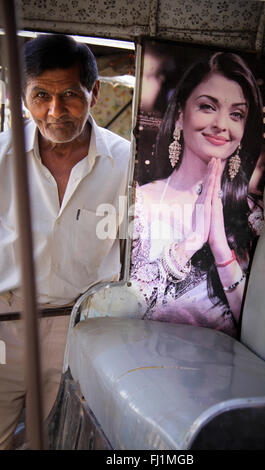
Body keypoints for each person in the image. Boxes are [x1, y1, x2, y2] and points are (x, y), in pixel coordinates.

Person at [0, 34, 131, 449]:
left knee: (54, 440)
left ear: (94, 92)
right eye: (40, 95)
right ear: (21, 96)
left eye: (70, 95)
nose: (55, 111)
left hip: (78, 327)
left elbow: (137, 256)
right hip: (4, 323)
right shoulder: (0, 157)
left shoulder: (127, 163)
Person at [130, 51, 264, 337]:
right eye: (207, 107)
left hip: (223, 373)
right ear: (180, 114)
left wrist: (220, 248)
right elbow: (127, 307)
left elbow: (261, 327)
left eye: (236, 114)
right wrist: (190, 243)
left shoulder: (253, 215)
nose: (222, 125)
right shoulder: (142, 203)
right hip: (143, 364)